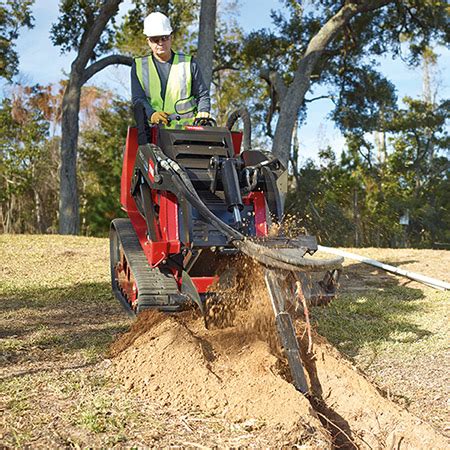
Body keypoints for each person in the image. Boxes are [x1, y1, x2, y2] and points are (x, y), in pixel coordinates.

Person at [131, 11, 212, 143]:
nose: (160, 43)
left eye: (164, 38)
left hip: (188, 136)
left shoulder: (188, 63)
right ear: (148, 41)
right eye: (155, 40)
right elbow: (138, 99)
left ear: (171, 37)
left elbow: (203, 95)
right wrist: (152, 114)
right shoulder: (139, 66)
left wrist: (203, 112)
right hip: (155, 136)